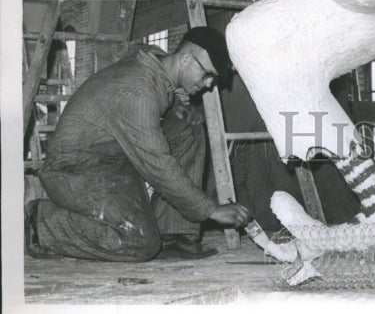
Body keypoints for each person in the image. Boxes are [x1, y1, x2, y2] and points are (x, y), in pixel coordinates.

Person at [24, 26, 250, 261]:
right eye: (207, 74)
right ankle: (39, 223)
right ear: (185, 57)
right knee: (139, 242)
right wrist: (210, 210)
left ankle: (173, 233)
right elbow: (158, 165)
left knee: (188, 130)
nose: (210, 84)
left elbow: (147, 97)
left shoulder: (154, 70)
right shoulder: (138, 89)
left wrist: (176, 108)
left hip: (112, 161)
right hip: (74, 170)